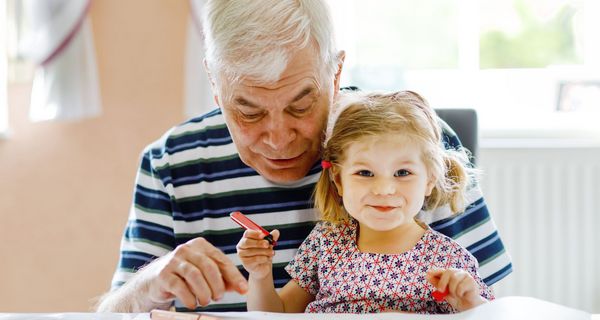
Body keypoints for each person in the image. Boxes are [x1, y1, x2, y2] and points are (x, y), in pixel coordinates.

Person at [96, 0, 511, 313]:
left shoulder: (414, 143)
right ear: (214, 82)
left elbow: (496, 310)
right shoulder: (171, 163)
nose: (279, 139)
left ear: (336, 72)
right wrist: (148, 284)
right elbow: (108, 315)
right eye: (249, 110)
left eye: (300, 104)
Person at [238, 91, 494, 313]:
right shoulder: (326, 242)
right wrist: (260, 276)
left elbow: (490, 315)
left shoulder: (448, 259)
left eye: (403, 173)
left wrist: (471, 303)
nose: (383, 189)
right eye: (365, 173)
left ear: (429, 180)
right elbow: (274, 315)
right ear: (338, 180)